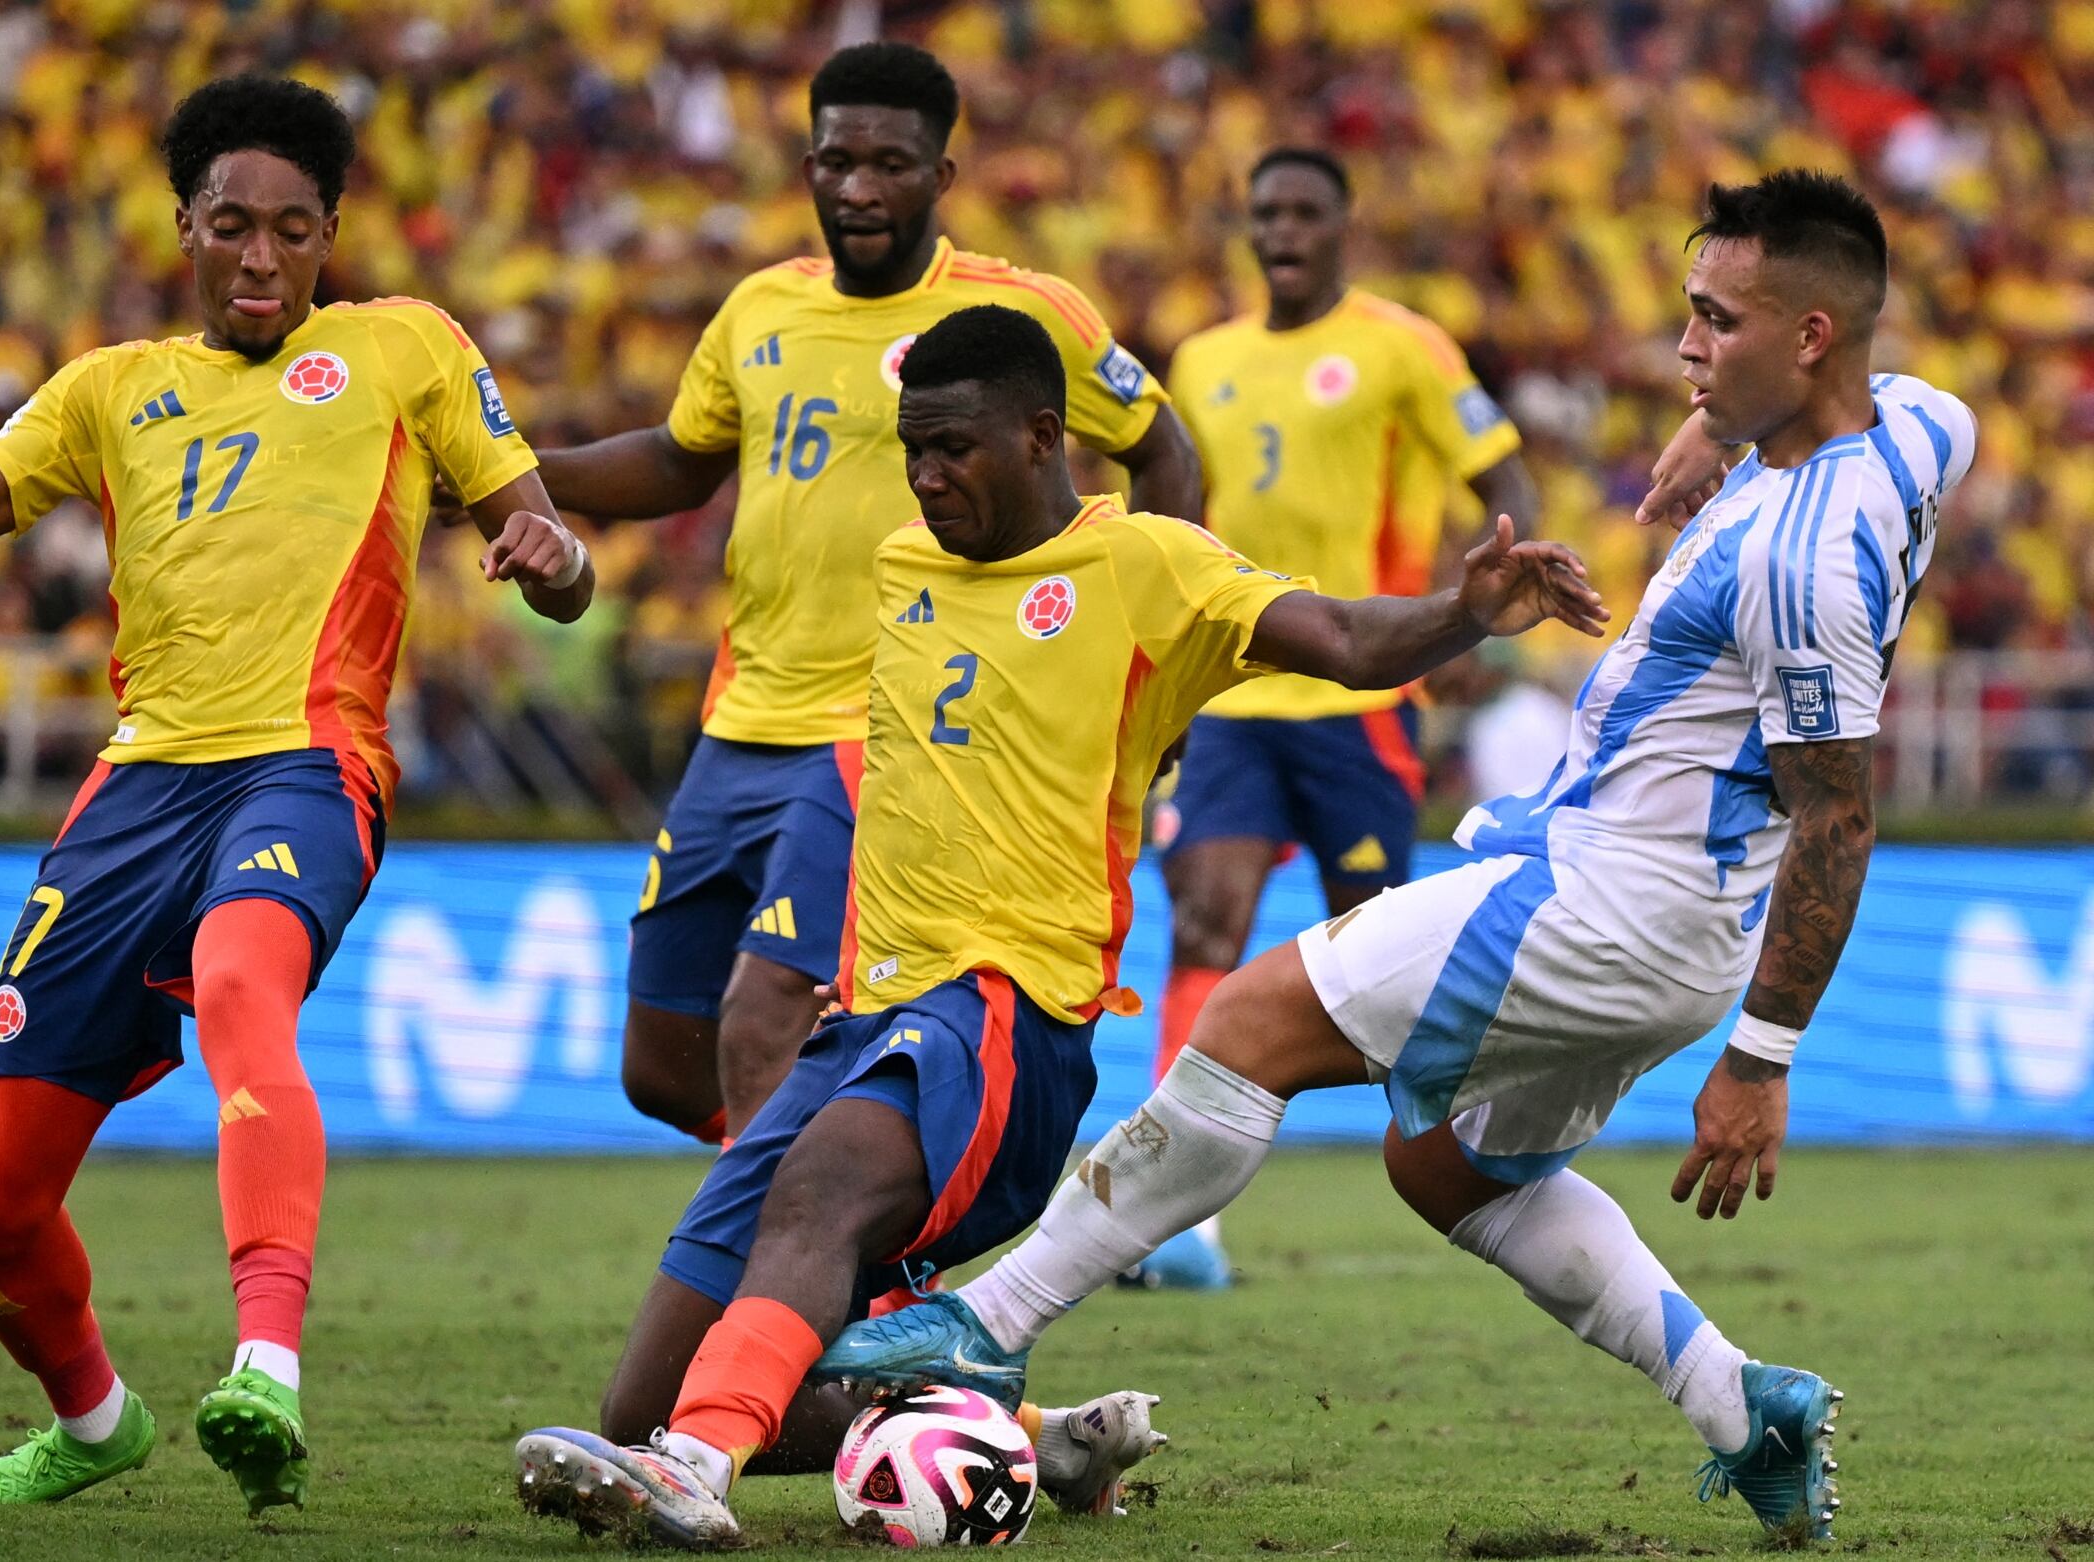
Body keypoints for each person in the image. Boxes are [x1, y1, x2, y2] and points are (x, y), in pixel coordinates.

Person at [813, 171, 1975, 1549]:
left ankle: (990, 1325)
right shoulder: (1919, 426)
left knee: (1248, 1022)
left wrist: (1762, 1059)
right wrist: (1712, 431)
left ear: (1814, 338)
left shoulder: (1809, 553)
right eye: (1689, 315)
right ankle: (1745, 1407)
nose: (1685, 349)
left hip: (1609, 899)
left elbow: (1838, 814)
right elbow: (1898, 414)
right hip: (1660, 910)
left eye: (1717, 325)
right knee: (1444, 1167)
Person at [511, 303, 1604, 1550]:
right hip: (868, 1018)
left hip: (1003, 1022)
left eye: (953, 449)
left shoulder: (1147, 567)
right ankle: (1026, 1442)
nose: (926, 476)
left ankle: (694, 1470)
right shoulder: (901, 569)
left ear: (1044, 437)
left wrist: (1465, 610)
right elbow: (915, 785)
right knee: (639, 1394)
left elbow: (1345, 640)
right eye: (912, 450)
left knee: (816, 1201)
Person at [0, 75, 592, 1515]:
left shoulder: (408, 352)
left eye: (296, 232)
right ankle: (94, 1421)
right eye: (235, 227)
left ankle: (266, 1366)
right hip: (135, 792)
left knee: (243, 977)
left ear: (332, 237)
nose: (263, 260)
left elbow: (543, 543)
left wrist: (554, 561)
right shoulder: (104, 391)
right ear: (183, 223)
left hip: (309, 761)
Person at [534, 42, 1204, 1148]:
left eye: (890, 164)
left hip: (886, 730)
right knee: (662, 1065)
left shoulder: (1017, 316)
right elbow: (676, 460)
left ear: (940, 178)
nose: (859, 188)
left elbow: (1162, 448)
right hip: (741, 721)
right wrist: (517, 473)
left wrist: (1152, 669)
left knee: (763, 1020)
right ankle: (861, 1196)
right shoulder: (760, 309)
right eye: (838, 161)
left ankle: (795, 1289)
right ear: (807, 166)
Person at [1136, 146, 1541, 1290]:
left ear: (1342, 225)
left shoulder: (1402, 344)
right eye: (1266, 212)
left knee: (1375, 944)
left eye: (1306, 212)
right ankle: (1182, 1220)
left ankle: (1470, 1155)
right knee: (1206, 918)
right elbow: (1172, 512)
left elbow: (1501, 469)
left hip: (1363, 695)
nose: (1283, 231)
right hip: (1233, 689)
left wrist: (1490, 597)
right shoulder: (1203, 359)